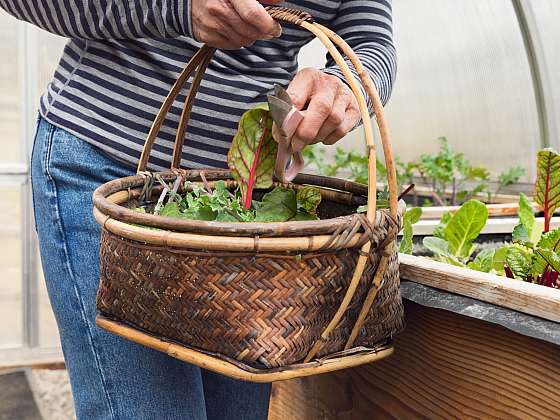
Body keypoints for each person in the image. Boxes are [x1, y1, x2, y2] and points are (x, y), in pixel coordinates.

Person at [0, 1, 396, 419]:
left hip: (239, 216)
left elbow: (371, 41)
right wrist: (176, 9)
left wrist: (344, 85)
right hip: (110, 175)